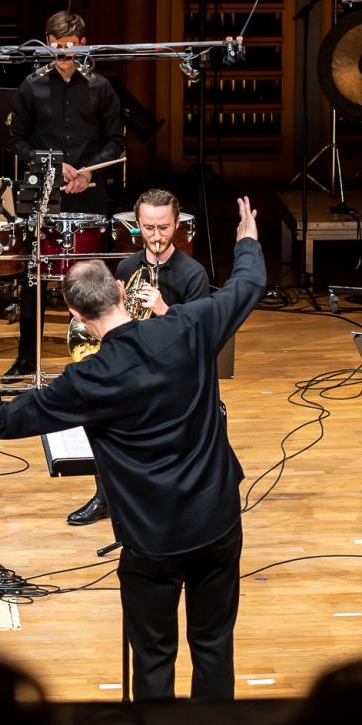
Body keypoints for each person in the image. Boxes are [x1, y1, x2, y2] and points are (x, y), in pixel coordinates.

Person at [0, 198, 264, 700]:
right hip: (216, 521)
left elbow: (2, 419)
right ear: (121, 290)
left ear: (76, 314)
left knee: (153, 657)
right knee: (213, 646)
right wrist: (247, 241)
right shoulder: (189, 326)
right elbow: (247, 284)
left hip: (151, 537)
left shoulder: (87, 380)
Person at [66, 188, 211, 526]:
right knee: (96, 414)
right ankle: (105, 495)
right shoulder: (127, 266)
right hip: (132, 369)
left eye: (164, 227)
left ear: (177, 224)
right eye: (148, 228)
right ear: (137, 225)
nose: (156, 237)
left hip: (173, 377)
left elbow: (199, 338)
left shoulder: (193, 275)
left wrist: (164, 310)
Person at [1, 9, 126, 377]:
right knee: (33, 278)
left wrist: (89, 170)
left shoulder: (101, 88)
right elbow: (17, 140)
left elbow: (115, 141)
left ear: (83, 45)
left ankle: (105, 356)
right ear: (47, 44)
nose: (64, 53)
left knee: (96, 278)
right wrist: (52, 166)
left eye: (70, 47)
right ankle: (27, 360)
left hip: (89, 192)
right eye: (57, 47)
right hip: (44, 193)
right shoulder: (31, 87)